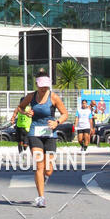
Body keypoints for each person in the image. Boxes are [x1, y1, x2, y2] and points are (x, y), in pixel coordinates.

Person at [16, 68, 68, 208]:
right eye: (42, 86)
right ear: (37, 84)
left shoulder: (53, 97)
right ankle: (41, 197)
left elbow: (64, 114)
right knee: (39, 165)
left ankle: (44, 178)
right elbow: (20, 107)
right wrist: (26, 113)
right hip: (35, 133)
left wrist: (57, 122)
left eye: (46, 86)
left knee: (49, 169)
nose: (44, 89)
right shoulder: (31, 96)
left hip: (50, 134)